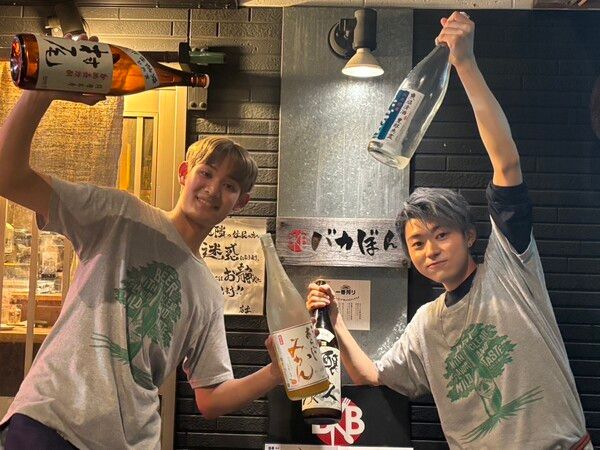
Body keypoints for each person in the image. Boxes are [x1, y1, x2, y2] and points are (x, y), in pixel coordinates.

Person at [306, 12, 591, 450]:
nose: (431, 250)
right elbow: (373, 376)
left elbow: (506, 163)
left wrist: (465, 64)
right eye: (417, 243)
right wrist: (336, 322)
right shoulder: (427, 323)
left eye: (442, 234)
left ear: (470, 236)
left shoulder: (510, 271)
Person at [0, 37, 281, 449]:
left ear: (241, 202)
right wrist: (40, 92)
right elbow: (8, 176)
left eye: (229, 185)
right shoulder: (120, 215)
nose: (212, 189)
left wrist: (275, 373)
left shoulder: (206, 292)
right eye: (206, 173)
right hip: (50, 423)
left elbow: (211, 399)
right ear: (185, 173)